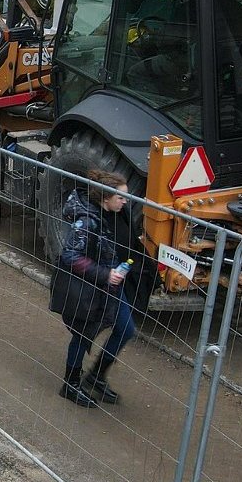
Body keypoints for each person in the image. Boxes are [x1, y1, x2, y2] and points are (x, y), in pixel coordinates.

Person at [49, 169, 143, 407]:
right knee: (83, 335)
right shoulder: (87, 221)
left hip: (112, 285)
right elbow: (70, 255)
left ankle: (96, 376)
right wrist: (105, 274)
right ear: (104, 198)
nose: (125, 201)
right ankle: (70, 384)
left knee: (126, 329)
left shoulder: (115, 213)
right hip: (90, 289)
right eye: (120, 197)